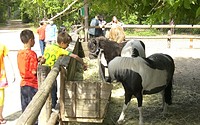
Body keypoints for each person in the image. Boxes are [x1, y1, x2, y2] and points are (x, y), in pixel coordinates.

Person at [43, 31, 87, 108]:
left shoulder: (48, 47)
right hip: (51, 72)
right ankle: (52, 106)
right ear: (62, 43)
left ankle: (49, 105)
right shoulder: (60, 50)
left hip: (44, 72)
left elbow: (43, 58)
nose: (67, 46)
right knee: (53, 90)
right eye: (67, 44)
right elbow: (75, 56)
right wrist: (83, 63)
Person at [17, 29, 39, 115]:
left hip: (23, 84)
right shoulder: (32, 54)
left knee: (25, 111)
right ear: (31, 40)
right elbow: (34, 71)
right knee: (33, 112)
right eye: (34, 39)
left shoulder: (19, 53)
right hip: (32, 85)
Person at [0, 42, 9, 124]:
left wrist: (12, 72)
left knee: (1, 97)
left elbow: (7, 60)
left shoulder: (2, 46)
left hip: (1, 76)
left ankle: (0, 115)